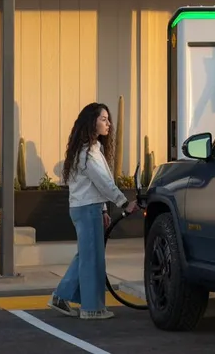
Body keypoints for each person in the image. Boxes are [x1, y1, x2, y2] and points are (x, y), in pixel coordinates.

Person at [48, 102, 137, 319]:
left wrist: (104, 209)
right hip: (87, 209)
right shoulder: (87, 153)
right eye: (103, 119)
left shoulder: (93, 149)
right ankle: (91, 309)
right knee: (91, 259)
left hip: (90, 207)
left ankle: (61, 297)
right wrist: (125, 203)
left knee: (87, 256)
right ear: (92, 122)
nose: (108, 123)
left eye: (108, 119)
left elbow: (96, 185)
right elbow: (104, 182)